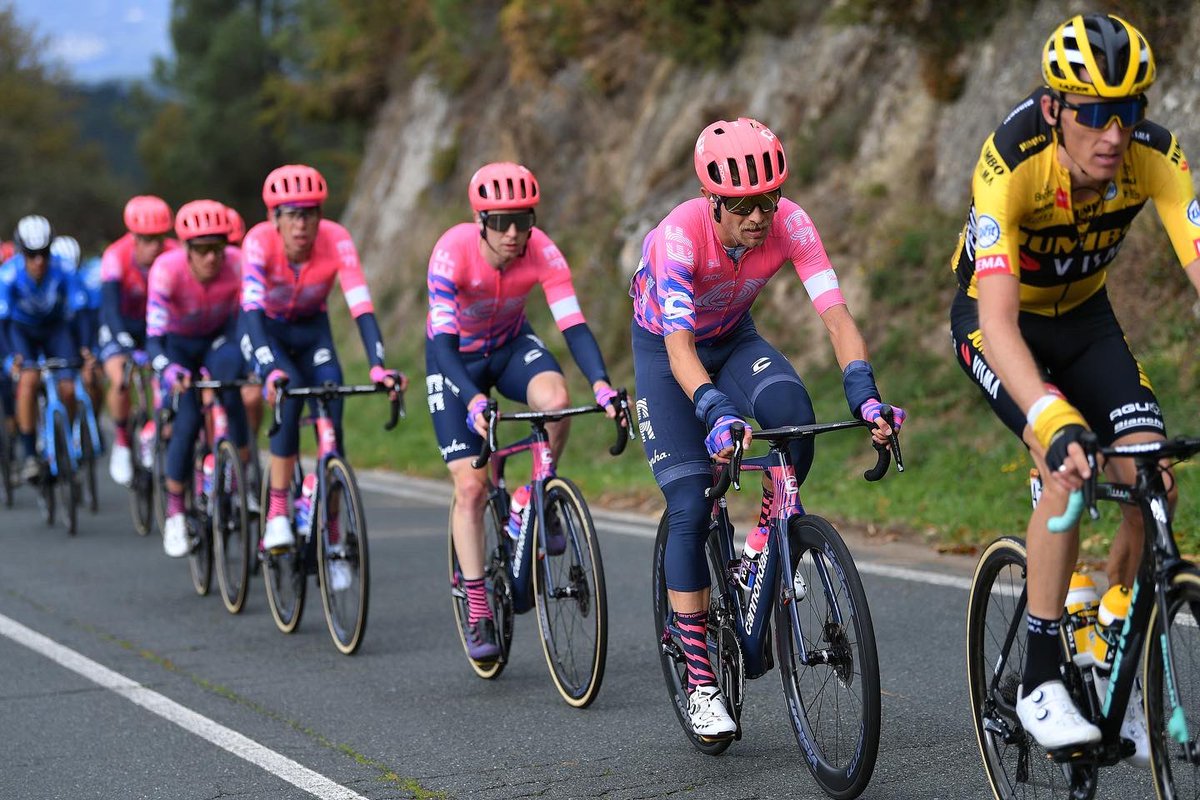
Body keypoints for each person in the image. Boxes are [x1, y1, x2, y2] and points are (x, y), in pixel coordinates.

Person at [948, 14, 1195, 760]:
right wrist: (1051, 418)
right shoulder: (1009, 162)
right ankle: (1041, 676)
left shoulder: (1156, 155)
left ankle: (1113, 629)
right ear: (1055, 109)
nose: (1113, 133)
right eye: (1092, 113)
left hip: (1085, 320)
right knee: (1067, 466)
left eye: (1127, 111)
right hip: (1000, 324)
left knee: (1152, 472)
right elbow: (995, 320)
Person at [629, 118, 905, 739]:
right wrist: (712, 409)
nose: (760, 216)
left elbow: (837, 318)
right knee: (691, 498)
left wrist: (865, 396)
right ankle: (701, 681)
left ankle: (762, 545)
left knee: (792, 422)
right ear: (714, 200)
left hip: (735, 341)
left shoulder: (792, 223)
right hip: (667, 355)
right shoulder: (678, 237)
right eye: (746, 204)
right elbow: (678, 352)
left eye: (769, 199)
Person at [426, 161, 620, 662]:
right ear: (480, 220)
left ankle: (535, 499)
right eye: (500, 222)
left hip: (510, 346)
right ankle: (477, 608)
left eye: (523, 220)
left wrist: (600, 384)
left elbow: (572, 325)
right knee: (470, 485)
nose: (513, 233)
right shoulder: (452, 252)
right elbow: (444, 345)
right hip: (454, 361)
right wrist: (471, 399)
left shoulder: (543, 250)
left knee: (557, 402)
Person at [240, 164, 403, 560]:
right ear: (274, 219)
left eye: (310, 214)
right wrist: (268, 367)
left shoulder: (337, 240)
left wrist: (377, 365)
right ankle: (278, 508)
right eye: (293, 214)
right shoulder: (258, 242)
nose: (302, 225)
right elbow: (251, 312)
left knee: (332, 411)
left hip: (314, 331)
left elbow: (361, 308)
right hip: (267, 332)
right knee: (290, 394)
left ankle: (331, 532)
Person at [147, 200, 250, 557]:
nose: (211, 258)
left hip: (219, 341)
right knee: (188, 419)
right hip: (178, 348)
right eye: (202, 250)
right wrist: (167, 368)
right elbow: (154, 338)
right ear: (186, 249)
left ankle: (240, 476)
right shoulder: (166, 269)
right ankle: (176, 511)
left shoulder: (237, 264)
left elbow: (249, 321)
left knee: (232, 390)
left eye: (217, 249)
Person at [101, 195, 177, 486]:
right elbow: (109, 307)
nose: (154, 246)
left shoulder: (174, 253)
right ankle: (122, 441)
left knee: (167, 375)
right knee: (120, 376)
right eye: (146, 239)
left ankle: (161, 425)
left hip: (157, 327)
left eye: (159, 238)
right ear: (133, 236)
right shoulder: (115, 256)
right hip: (122, 324)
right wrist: (122, 341)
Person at [0, 216, 78, 481]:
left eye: (44, 253)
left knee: (68, 388)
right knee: (29, 378)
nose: (39, 261)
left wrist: (87, 350)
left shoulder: (65, 269)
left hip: (55, 330)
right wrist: (11, 356)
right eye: (32, 255)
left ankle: (65, 441)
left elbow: (81, 313)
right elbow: (3, 322)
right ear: (22, 253)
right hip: (21, 331)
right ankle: (29, 453)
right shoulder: (8, 274)